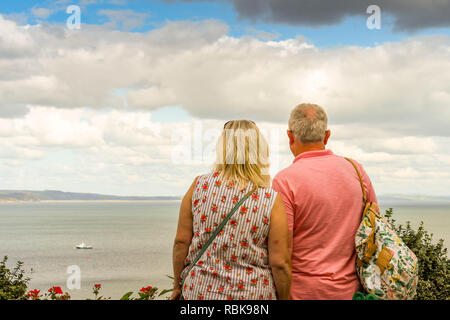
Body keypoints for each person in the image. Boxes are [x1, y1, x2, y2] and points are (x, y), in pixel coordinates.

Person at [171, 120, 291, 300]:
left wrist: (176, 286)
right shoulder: (270, 199)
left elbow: (181, 242)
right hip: (253, 295)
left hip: (200, 292)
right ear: (259, 150)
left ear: (222, 148)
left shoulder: (199, 186)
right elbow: (280, 263)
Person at [272, 103, 378, 300]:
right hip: (351, 291)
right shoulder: (356, 170)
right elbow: (374, 226)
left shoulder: (284, 180)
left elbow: (282, 251)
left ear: (290, 136)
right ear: (327, 136)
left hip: (303, 293)